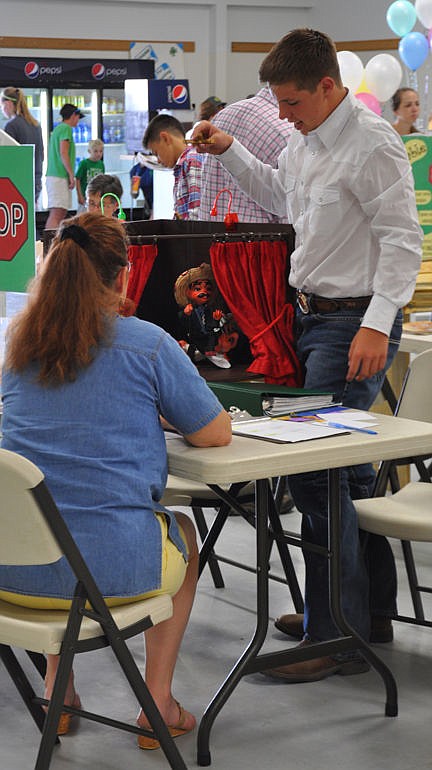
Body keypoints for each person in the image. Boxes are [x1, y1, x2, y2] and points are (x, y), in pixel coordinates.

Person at [192, 28, 423, 682]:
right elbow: (277, 195)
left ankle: (332, 634)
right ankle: (364, 613)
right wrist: (231, 148)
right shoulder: (305, 141)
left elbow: (403, 242)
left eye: (290, 103)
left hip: (354, 327)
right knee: (343, 475)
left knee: (312, 474)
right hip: (313, 320)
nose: (282, 116)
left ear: (328, 86)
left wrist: (378, 326)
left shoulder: (375, 145)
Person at [0, 212, 231, 745]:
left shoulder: (18, 348)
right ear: (124, 275)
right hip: (112, 575)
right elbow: (216, 432)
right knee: (185, 535)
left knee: (56, 513)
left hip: (15, 575)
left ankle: (59, 689)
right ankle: (157, 703)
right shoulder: (146, 344)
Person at [198, 86, 293, 222]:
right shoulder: (288, 133)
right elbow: (287, 210)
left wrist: (229, 150)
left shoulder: (222, 117)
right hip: (258, 242)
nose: (284, 115)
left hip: (209, 238)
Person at [143, 114, 203, 220]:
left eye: (156, 153)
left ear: (165, 138)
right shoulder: (182, 165)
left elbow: (196, 216)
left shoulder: (191, 161)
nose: (159, 160)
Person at [1, 86, 44, 206]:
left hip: (17, 182)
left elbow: (8, 158)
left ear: (8, 104)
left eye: (1, 105)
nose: (2, 109)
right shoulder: (36, 124)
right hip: (35, 180)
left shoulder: (12, 126)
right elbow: (41, 154)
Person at [44, 103, 84, 230]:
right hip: (59, 176)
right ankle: (49, 245)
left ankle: (51, 243)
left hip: (55, 176)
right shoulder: (66, 129)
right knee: (57, 214)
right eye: (78, 117)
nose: (78, 120)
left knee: (58, 213)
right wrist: (71, 175)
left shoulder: (58, 129)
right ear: (73, 115)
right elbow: (63, 152)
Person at [75, 138, 105, 211]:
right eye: (95, 151)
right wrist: (80, 195)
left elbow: (103, 181)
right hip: (85, 196)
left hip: (97, 196)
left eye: (101, 151)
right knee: (82, 215)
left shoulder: (101, 164)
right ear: (89, 151)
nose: (98, 154)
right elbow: (77, 179)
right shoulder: (84, 163)